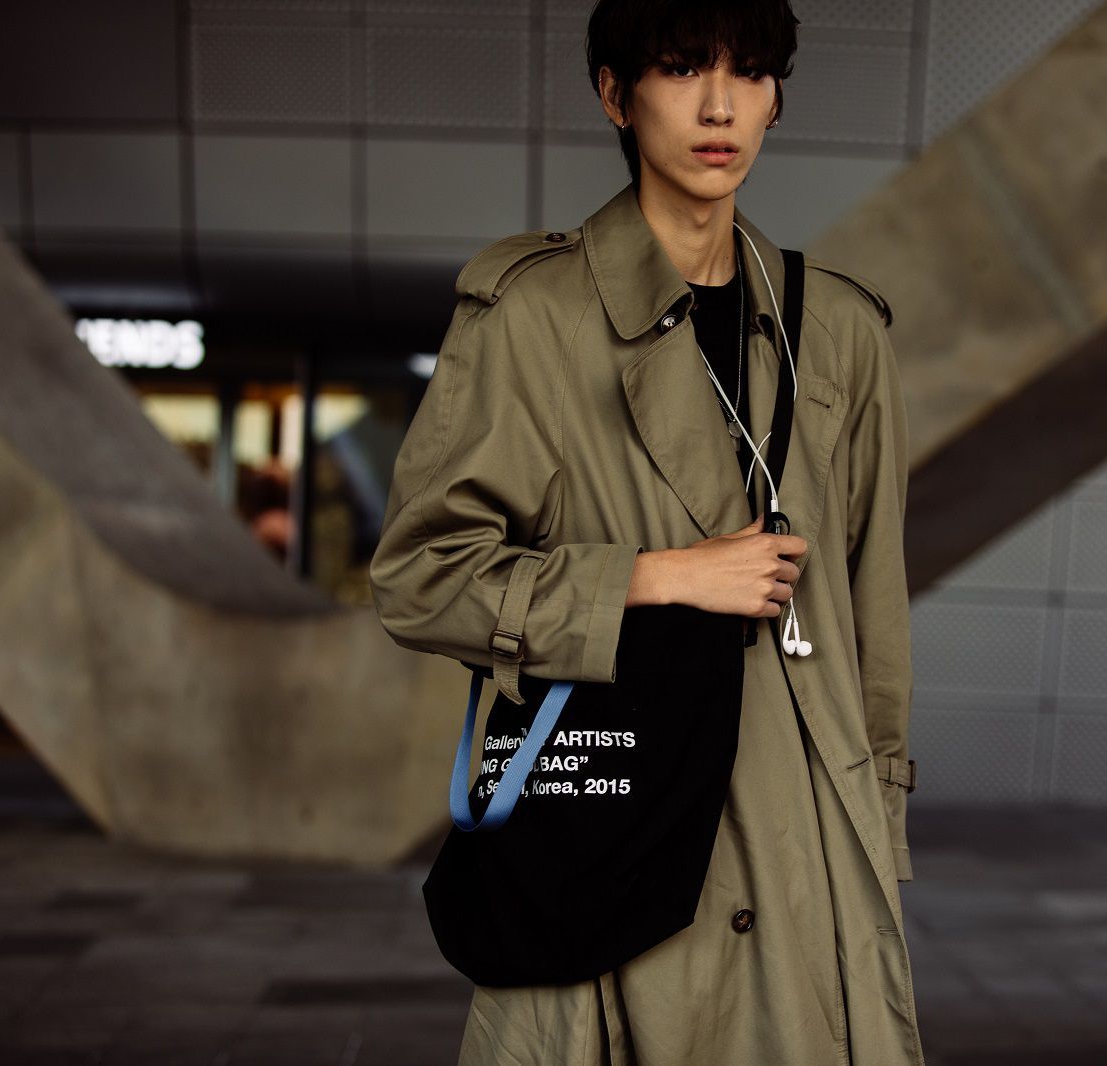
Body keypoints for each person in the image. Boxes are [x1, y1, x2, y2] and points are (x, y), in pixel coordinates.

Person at [368, 0, 922, 1061]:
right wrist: (659, 576)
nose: (719, 107)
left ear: (775, 98)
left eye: (748, 72)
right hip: (616, 838)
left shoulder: (840, 330)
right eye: (680, 68)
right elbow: (420, 576)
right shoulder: (534, 313)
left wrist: (875, 842)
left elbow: (873, 619)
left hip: (807, 856)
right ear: (616, 95)